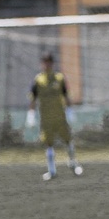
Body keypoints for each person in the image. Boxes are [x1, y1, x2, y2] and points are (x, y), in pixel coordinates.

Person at [26, 52, 83, 181]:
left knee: (68, 140)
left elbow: (66, 95)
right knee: (49, 144)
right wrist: (31, 115)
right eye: (44, 62)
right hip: (46, 119)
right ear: (42, 64)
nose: (46, 65)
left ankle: (73, 163)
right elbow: (32, 99)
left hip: (60, 117)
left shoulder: (59, 78)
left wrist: (69, 111)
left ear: (52, 63)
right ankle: (52, 171)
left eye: (48, 62)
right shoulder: (38, 80)